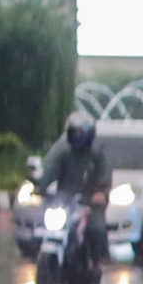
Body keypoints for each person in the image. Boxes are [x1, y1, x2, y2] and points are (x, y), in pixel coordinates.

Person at [40, 111, 113, 258]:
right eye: (75, 132)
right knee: (40, 227)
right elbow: (49, 172)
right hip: (65, 202)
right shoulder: (62, 152)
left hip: (89, 202)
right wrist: (40, 187)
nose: (78, 136)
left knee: (96, 229)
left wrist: (101, 194)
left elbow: (105, 178)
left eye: (82, 132)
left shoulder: (96, 154)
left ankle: (97, 262)